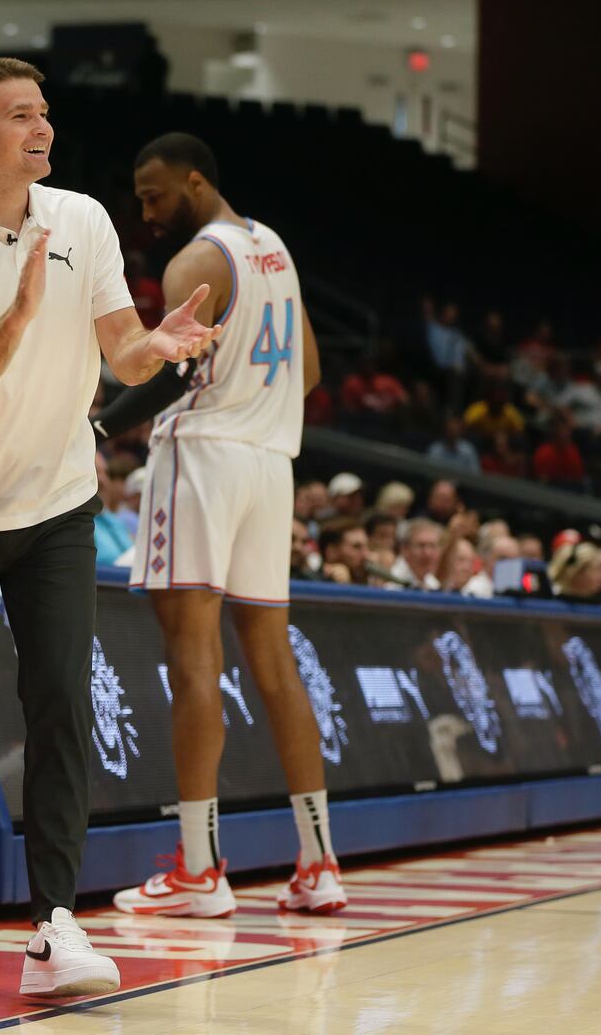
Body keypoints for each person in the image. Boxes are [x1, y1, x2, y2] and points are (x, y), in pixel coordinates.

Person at [0, 60, 215, 1000]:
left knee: (62, 700)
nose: (42, 128)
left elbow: (119, 348)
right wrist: (21, 313)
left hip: (60, 501)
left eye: (45, 112)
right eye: (18, 115)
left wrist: (159, 345)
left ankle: (56, 922)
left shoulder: (84, 220)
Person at [96, 129, 342, 927]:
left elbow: (170, 376)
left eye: (154, 193)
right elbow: (305, 372)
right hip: (272, 464)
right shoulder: (273, 247)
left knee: (193, 663)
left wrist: (99, 425)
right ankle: (318, 864)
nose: (145, 209)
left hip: (202, 459)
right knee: (275, 664)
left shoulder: (196, 261)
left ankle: (200, 873)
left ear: (195, 182)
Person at [390, 518, 443, 590]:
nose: (428, 553)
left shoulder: (432, 583)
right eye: (421, 546)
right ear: (405, 549)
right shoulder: (393, 582)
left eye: (432, 546)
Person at [316, 518, 370, 585]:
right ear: (332, 552)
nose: (366, 555)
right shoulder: (312, 581)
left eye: (368, 546)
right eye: (356, 547)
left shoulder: (370, 579)